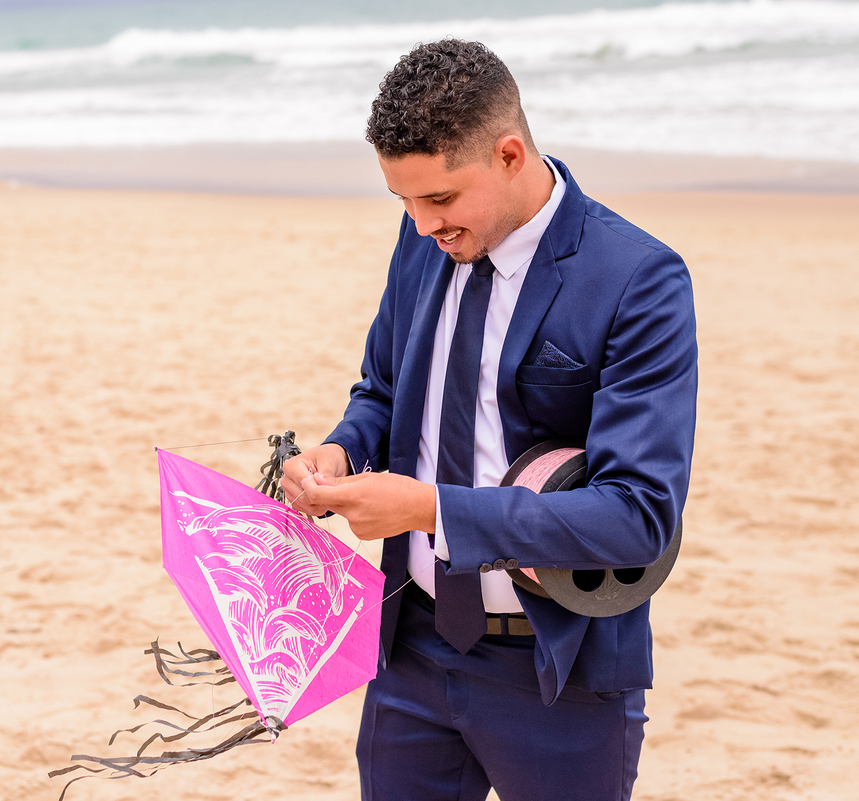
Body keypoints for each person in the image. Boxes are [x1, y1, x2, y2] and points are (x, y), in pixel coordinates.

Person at [281, 38, 697, 801]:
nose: (421, 225)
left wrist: (429, 509)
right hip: (409, 648)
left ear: (509, 154)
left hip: (559, 670)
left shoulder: (638, 278)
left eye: (439, 199)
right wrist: (342, 450)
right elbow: (384, 388)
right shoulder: (423, 242)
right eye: (403, 201)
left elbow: (637, 517)